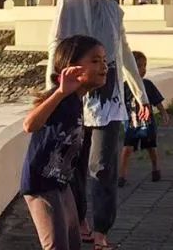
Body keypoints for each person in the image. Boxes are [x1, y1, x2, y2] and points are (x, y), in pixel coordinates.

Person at [47, 0, 150, 250]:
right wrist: (51, 96)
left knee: (103, 166)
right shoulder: (69, 12)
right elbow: (54, 53)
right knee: (75, 165)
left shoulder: (113, 11)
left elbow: (124, 52)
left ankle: (102, 229)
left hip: (109, 101)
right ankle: (81, 222)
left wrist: (140, 93)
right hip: (76, 99)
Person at [20, 35, 108, 250]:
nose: (103, 66)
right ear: (71, 68)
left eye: (104, 60)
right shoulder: (61, 98)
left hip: (60, 183)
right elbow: (29, 125)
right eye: (95, 61)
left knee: (73, 243)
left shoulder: (77, 99)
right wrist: (60, 92)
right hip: (41, 184)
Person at [118, 50, 170, 187]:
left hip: (147, 123)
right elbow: (120, 104)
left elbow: (157, 101)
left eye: (144, 66)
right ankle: (122, 175)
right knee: (127, 149)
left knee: (151, 147)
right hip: (131, 124)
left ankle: (155, 168)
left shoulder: (147, 84)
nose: (143, 69)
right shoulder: (124, 87)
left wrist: (164, 113)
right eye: (139, 66)